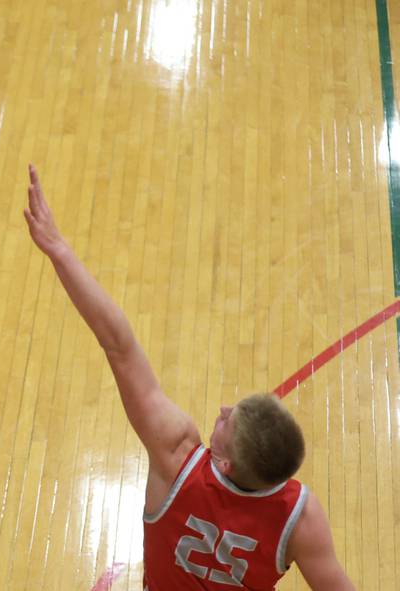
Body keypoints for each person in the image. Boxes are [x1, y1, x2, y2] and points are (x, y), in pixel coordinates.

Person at [22, 164, 355, 590]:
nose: (222, 409)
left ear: (224, 462)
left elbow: (118, 344)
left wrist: (58, 249)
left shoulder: (176, 457)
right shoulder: (300, 518)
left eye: (226, 422)